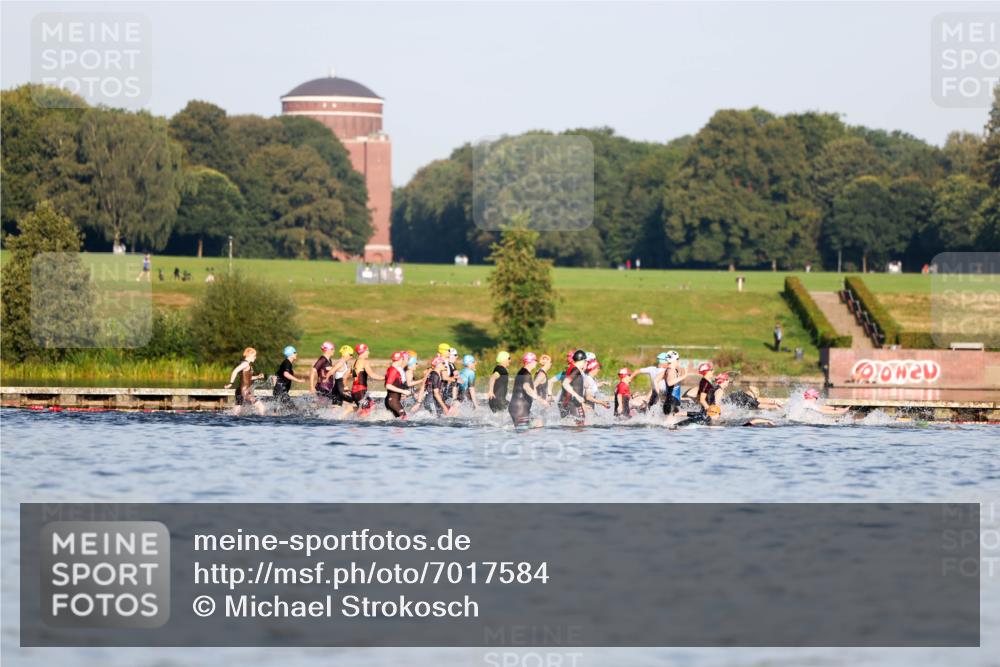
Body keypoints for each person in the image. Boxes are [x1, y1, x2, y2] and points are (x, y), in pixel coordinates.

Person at [508, 352, 549, 427]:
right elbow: (526, 387)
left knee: (539, 424)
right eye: (535, 361)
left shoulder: (522, 371)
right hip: (520, 408)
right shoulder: (526, 374)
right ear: (530, 362)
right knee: (524, 434)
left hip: (518, 407)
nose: (536, 363)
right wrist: (541, 400)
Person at [224, 347, 265, 415]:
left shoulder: (246, 364)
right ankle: (264, 421)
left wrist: (257, 377)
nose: (255, 357)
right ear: (250, 355)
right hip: (245, 392)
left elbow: (247, 378)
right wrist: (230, 383)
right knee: (261, 406)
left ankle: (229, 419)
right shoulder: (245, 364)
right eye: (254, 355)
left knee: (236, 412)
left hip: (240, 390)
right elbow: (235, 371)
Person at [558, 350, 589, 425]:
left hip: (570, 403)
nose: (586, 363)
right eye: (585, 361)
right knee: (580, 429)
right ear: (581, 360)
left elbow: (572, 385)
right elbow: (566, 383)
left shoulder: (571, 368)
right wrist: (577, 396)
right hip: (575, 404)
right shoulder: (575, 370)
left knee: (571, 430)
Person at [384, 351, 413, 419]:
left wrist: (401, 393)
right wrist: (403, 391)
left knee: (398, 422)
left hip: (391, 400)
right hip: (393, 401)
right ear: (399, 359)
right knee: (404, 418)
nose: (403, 361)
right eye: (402, 359)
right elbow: (388, 386)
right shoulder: (393, 370)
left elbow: (388, 384)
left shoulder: (391, 369)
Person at [350, 343, 374, 415]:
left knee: (371, 404)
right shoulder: (364, 361)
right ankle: (359, 424)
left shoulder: (355, 362)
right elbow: (372, 374)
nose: (369, 352)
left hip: (356, 390)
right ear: (363, 351)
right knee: (366, 409)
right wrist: (385, 378)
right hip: (360, 390)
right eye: (367, 350)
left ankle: (348, 411)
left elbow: (351, 375)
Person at [662, 350, 687, 416]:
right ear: (674, 360)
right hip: (671, 400)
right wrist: (683, 376)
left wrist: (682, 372)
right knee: (671, 424)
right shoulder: (671, 370)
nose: (679, 361)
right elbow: (669, 383)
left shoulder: (672, 369)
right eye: (678, 359)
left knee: (671, 424)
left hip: (672, 399)